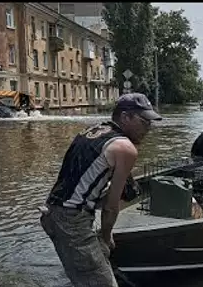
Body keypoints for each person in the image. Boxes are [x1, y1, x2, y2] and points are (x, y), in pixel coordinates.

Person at [39, 93, 162, 287]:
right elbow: (111, 208)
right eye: (144, 121)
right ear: (125, 117)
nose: (148, 128)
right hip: (72, 223)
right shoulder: (125, 148)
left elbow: (75, 178)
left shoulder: (92, 130)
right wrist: (106, 237)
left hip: (53, 211)